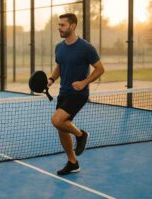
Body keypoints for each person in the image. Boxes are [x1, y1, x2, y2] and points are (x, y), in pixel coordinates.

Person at [47, 13, 104, 175]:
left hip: (79, 94)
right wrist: (51, 79)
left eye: (63, 25)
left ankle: (81, 135)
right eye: (59, 25)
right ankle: (73, 163)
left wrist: (84, 82)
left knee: (57, 120)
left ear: (72, 26)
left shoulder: (86, 47)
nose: (59, 28)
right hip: (63, 92)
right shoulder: (59, 47)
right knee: (62, 128)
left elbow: (100, 69)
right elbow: (59, 66)